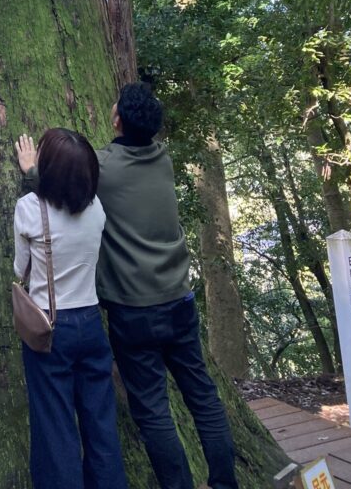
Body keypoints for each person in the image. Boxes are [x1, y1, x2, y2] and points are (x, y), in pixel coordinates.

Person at [16, 84, 239, 489]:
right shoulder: (164, 159)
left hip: (134, 311)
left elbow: (65, 185)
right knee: (203, 397)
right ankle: (224, 483)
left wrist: (31, 172)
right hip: (180, 299)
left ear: (117, 120)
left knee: (153, 410)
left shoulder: (104, 170)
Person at [13, 127, 129, 489]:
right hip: (91, 325)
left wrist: (29, 174)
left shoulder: (29, 208)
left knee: (56, 429)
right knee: (101, 425)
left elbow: (19, 270)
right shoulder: (97, 210)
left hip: (50, 328)